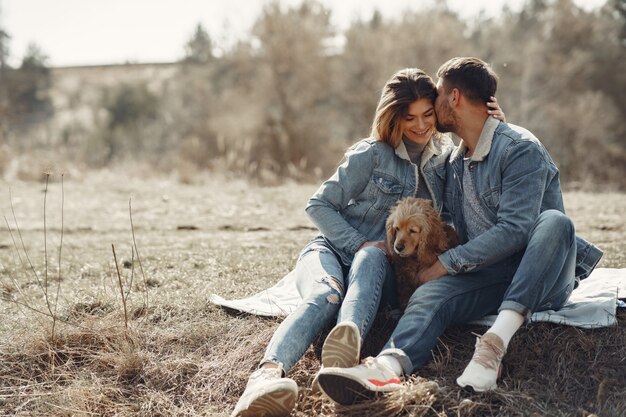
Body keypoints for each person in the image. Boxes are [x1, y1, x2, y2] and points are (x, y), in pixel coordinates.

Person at [316, 57, 603, 404]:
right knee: (428, 295)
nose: (431, 108)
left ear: (453, 99)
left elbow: (515, 229)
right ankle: (386, 366)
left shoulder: (521, 148)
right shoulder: (454, 161)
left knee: (555, 221)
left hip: (542, 276)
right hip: (489, 276)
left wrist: (447, 263)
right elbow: (438, 217)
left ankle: (493, 347)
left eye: (436, 96)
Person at [229, 67, 506, 417]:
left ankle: (344, 355)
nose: (421, 126)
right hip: (333, 251)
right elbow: (318, 204)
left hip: (381, 267)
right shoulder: (371, 154)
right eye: (409, 118)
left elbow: (471, 189)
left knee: (375, 257)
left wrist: (493, 126)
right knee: (325, 295)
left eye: (427, 115)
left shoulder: (445, 159)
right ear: (394, 117)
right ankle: (265, 379)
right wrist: (358, 242)